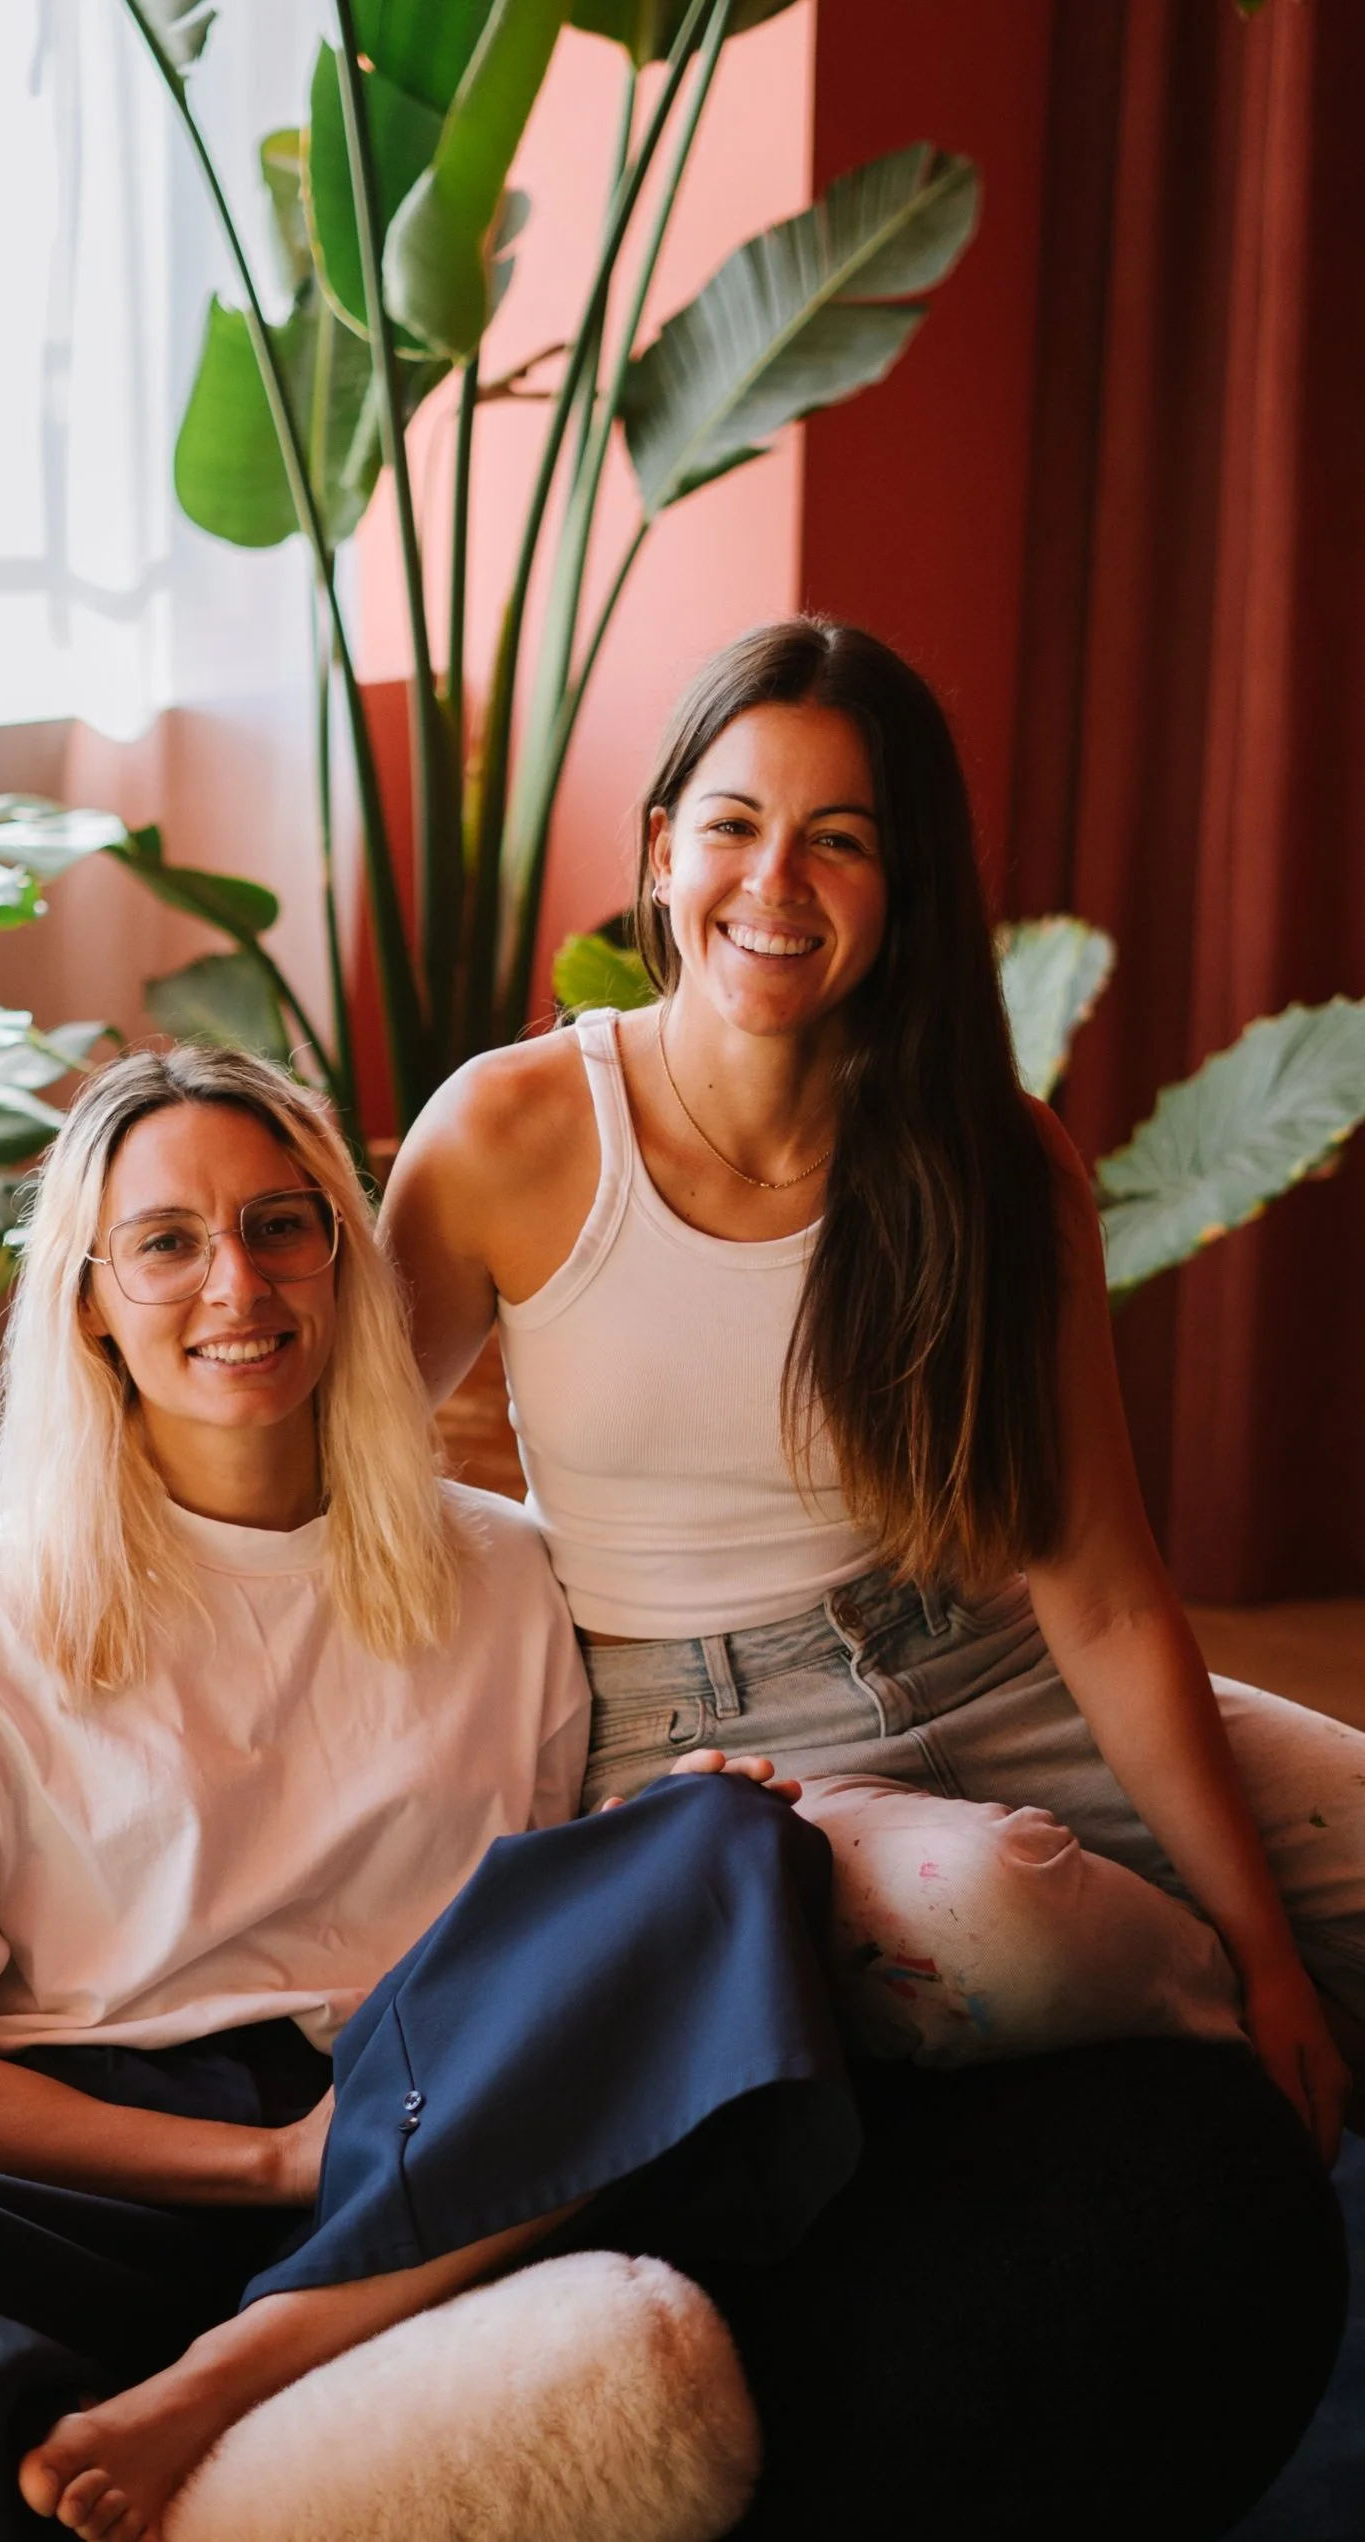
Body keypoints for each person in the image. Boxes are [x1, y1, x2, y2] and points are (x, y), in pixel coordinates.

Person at [0, 1044, 857, 2542]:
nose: (236, 1283)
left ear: (344, 1258)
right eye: (167, 1242)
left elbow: (532, 1953)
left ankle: (223, 2376)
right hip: (115, 2166)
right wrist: (267, 2161)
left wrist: (656, 1857)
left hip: (420, 2122)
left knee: (737, 1841)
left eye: (279, 1225)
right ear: (91, 1303)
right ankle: (221, 2360)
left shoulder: (499, 1568)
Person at [384, 614, 1365, 2165]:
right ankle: (1217, 2025)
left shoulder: (994, 1153)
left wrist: (1268, 1922)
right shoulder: (509, 1133)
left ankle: (1247, 2007)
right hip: (708, 1746)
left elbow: (1100, 1593)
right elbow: (336, 1481)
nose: (773, 882)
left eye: (837, 841)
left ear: (905, 887)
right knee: (999, 1913)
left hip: (989, 1658)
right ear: (659, 853)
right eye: (733, 824)